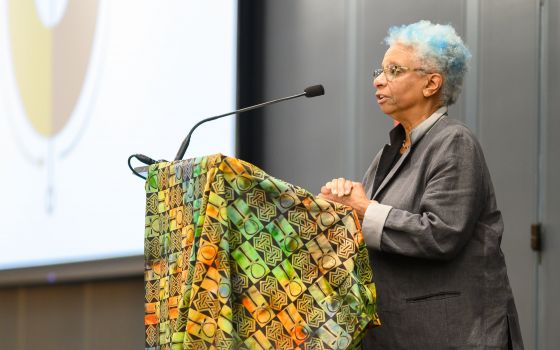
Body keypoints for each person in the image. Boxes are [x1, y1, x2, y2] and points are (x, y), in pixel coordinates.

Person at [319, 20, 524, 349]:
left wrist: (362, 209)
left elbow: (440, 234)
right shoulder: (392, 151)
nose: (378, 81)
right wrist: (336, 208)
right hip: (401, 333)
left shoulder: (454, 142)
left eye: (394, 70)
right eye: (380, 70)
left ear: (431, 84)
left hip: (454, 334)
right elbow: (370, 229)